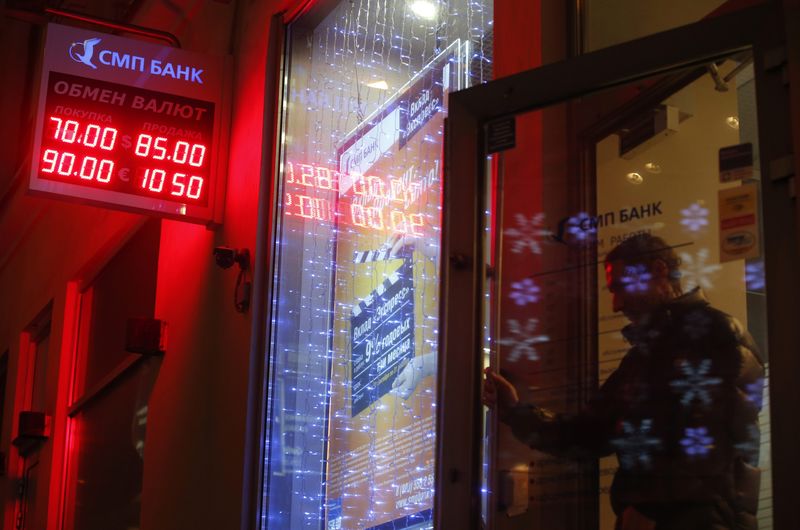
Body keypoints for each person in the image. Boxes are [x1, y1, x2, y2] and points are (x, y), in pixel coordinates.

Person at [483, 233, 764, 530]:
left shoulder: (712, 335)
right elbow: (591, 432)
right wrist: (515, 412)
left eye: (620, 288)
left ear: (658, 270)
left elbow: (711, 446)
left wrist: (649, 510)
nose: (616, 305)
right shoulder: (650, 355)